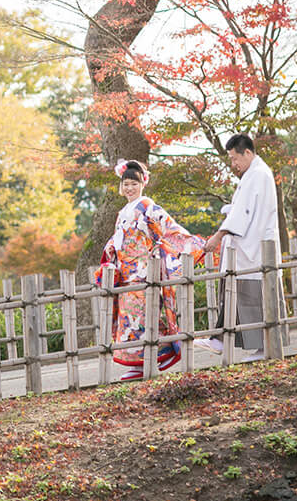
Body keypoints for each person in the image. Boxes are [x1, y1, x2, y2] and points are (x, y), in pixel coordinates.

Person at [94, 159, 207, 381]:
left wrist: (194, 244)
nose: (129, 188)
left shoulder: (147, 206)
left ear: (143, 184)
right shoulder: (123, 212)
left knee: (143, 317)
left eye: (134, 184)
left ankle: (149, 359)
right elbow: (117, 241)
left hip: (144, 269)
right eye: (126, 184)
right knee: (131, 318)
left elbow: (168, 229)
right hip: (126, 273)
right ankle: (139, 362)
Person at [197, 133, 282, 362]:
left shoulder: (257, 174)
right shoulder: (254, 173)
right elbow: (241, 210)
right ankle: (220, 340)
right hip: (249, 244)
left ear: (247, 152)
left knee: (248, 295)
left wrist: (218, 236)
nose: (233, 165)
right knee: (234, 292)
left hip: (253, 247)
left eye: (235, 159)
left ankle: (260, 347)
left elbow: (242, 213)